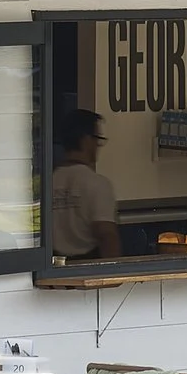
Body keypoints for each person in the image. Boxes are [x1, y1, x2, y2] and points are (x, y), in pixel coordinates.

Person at [49, 110, 122, 261]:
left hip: (53, 266)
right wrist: (115, 270)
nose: (98, 145)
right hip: (87, 266)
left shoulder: (50, 182)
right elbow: (106, 235)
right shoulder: (97, 184)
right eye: (98, 139)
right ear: (86, 140)